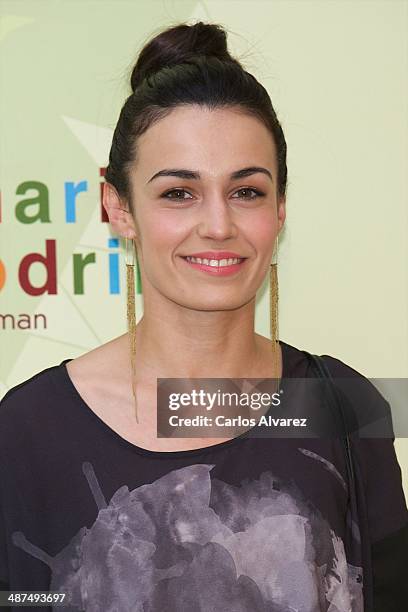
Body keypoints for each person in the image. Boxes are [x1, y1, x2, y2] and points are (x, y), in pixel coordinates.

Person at [0, 20, 407, 612]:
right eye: (178, 193)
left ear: (281, 207)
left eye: (247, 191)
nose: (218, 224)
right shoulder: (27, 432)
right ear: (117, 206)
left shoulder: (343, 408)